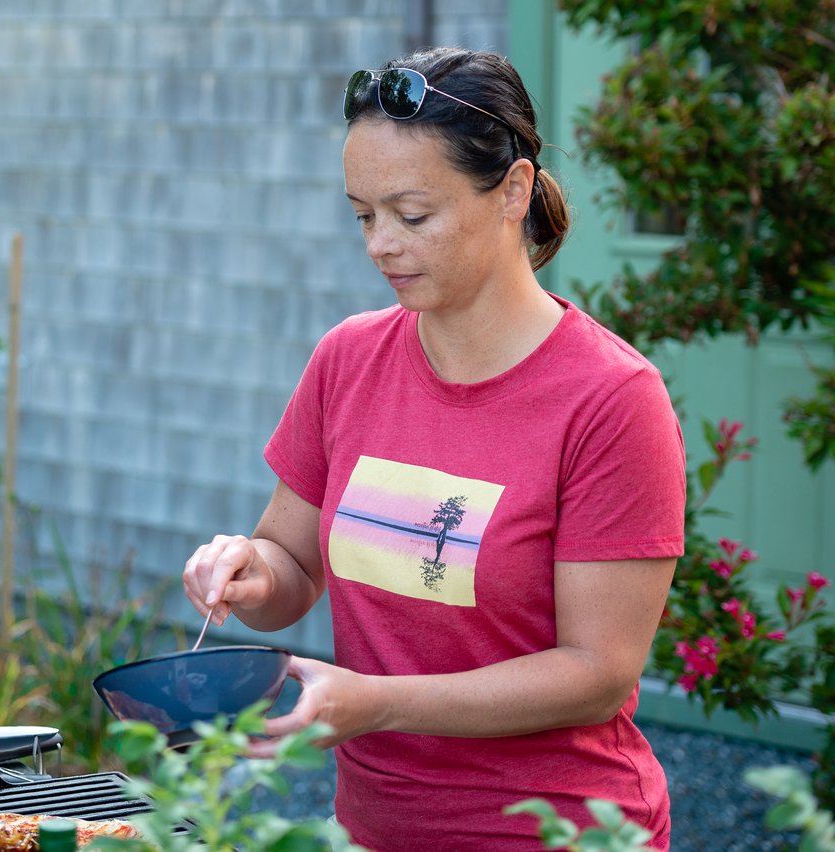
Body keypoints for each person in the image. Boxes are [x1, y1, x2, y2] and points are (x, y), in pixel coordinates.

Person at [182, 46, 685, 851]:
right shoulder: (348, 360)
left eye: (412, 215)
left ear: (513, 191)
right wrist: (246, 570)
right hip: (375, 828)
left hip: (557, 830)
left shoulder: (610, 399)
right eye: (363, 214)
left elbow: (597, 674)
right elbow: (294, 566)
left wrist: (381, 703)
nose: (381, 244)